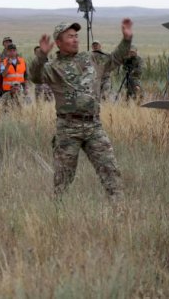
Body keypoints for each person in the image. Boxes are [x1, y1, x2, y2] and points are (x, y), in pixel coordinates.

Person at [29, 18, 133, 200]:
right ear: (59, 43)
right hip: (68, 129)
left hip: (94, 126)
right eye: (70, 37)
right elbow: (35, 77)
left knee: (110, 171)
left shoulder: (92, 59)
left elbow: (115, 59)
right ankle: (57, 213)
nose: (75, 39)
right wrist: (41, 56)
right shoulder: (53, 67)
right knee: (63, 178)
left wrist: (126, 40)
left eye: (76, 36)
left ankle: (120, 213)